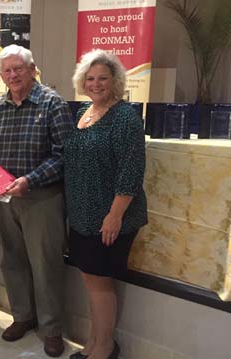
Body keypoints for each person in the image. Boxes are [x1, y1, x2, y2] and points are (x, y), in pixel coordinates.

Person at [0, 44, 73, 357]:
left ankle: (52, 329)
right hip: (5, 197)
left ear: (32, 70)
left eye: (19, 68)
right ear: (1, 75)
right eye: (7, 70)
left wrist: (31, 180)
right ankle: (22, 317)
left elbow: (65, 154)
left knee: (46, 266)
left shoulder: (52, 103)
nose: (13, 75)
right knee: (13, 260)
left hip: (41, 197)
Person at [65, 49, 147, 359]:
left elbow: (131, 171)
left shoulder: (125, 116)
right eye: (90, 78)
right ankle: (93, 343)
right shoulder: (83, 112)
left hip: (110, 218)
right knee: (90, 281)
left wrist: (114, 216)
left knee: (100, 284)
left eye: (102, 78)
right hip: (82, 215)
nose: (96, 83)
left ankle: (104, 348)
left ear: (115, 81)